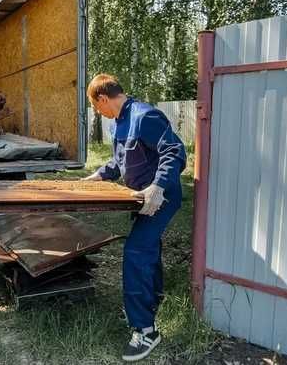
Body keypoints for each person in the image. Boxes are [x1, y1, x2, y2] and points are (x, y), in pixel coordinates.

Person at [83, 73, 186, 362]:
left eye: (95, 106)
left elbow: (175, 152)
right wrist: (98, 176)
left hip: (161, 198)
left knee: (136, 251)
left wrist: (157, 187)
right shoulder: (121, 121)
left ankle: (146, 331)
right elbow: (120, 161)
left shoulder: (145, 116)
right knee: (147, 247)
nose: (97, 112)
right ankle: (152, 301)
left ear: (102, 99)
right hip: (144, 197)